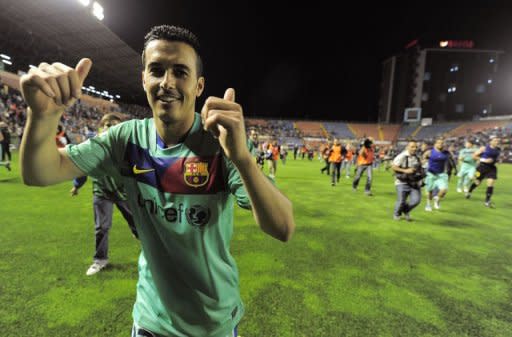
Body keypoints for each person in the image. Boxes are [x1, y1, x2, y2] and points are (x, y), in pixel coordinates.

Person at [19, 25, 295, 337]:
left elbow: (282, 227)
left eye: (180, 72)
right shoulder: (126, 139)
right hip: (151, 321)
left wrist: (242, 158)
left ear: (198, 85)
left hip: (212, 323)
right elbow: (39, 172)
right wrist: (42, 117)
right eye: (157, 70)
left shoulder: (219, 144)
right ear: (144, 79)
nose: (167, 82)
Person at [70, 113, 139, 276]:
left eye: (114, 124)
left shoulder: (127, 148)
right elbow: (83, 168)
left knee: (139, 227)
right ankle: (100, 260)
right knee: (101, 227)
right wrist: (76, 186)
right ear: (101, 127)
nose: (110, 126)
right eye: (106, 124)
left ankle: (153, 255)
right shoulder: (92, 147)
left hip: (123, 194)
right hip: (101, 193)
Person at [391, 140, 424, 221]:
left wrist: (421, 179)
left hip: (414, 182)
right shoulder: (401, 156)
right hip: (402, 182)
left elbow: (419, 169)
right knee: (401, 201)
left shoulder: (417, 157)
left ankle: (406, 210)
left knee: (416, 201)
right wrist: (405, 171)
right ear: (407, 147)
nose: (414, 148)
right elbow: (394, 167)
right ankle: (396, 214)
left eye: (416, 147)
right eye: (412, 147)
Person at [465, 135, 501, 207]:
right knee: (477, 182)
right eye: (495, 140)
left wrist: (497, 160)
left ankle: (487, 201)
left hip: (492, 168)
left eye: (497, 140)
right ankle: (469, 191)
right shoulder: (484, 148)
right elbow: (474, 156)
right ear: (490, 141)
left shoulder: (498, 149)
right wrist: (483, 160)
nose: (497, 142)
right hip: (482, 167)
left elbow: (495, 158)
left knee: (490, 183)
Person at [423, 138, 452, 211]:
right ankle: (428, 204)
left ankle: (437, 200)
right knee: (429, 191)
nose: (440, 144)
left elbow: (450, 159)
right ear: (435, 144)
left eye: (442, 143)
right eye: (439, 143)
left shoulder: (446, 153)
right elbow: (423, 158)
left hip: (441, 175)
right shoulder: (429, 152)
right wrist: (425, 164)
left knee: (444, 190)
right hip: (431, 174)